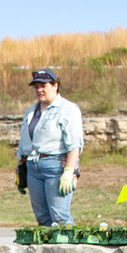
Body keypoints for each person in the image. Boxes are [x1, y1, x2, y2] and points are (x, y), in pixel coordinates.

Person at [17, 70, 84, 227]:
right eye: (36, 87)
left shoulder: (67, 109)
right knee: (43, 219)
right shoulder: (31, 111)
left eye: (43, 86)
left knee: (60, 216)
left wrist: (69, 171)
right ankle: (47, 252)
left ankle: (68, 251)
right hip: (33, 167)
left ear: (55, 86)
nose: (39, 90)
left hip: (55, 166)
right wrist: (20, 167)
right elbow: (26, 141)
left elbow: (74, 144)